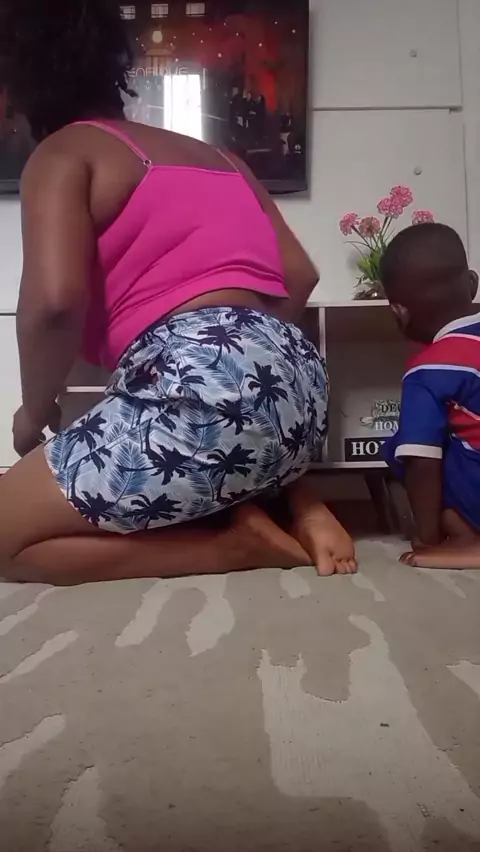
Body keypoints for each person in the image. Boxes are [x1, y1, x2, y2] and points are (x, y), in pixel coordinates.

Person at [0, 0, 355, 585]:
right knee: (204, 448)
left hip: (198, 391)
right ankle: (297, 502)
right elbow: (299, 276)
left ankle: (231, 547)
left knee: (4, 538)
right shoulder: (222, 158)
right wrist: (243, 357)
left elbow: (56, 302)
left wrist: (33, 411)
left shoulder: (64, 153)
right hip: (302, 392)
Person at [380, 222, 480, 569]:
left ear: (399, 312)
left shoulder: (429, 369)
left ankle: (465, 540)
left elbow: (422, 460)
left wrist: (427, 538)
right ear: (472, 284)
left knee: (404, 446)